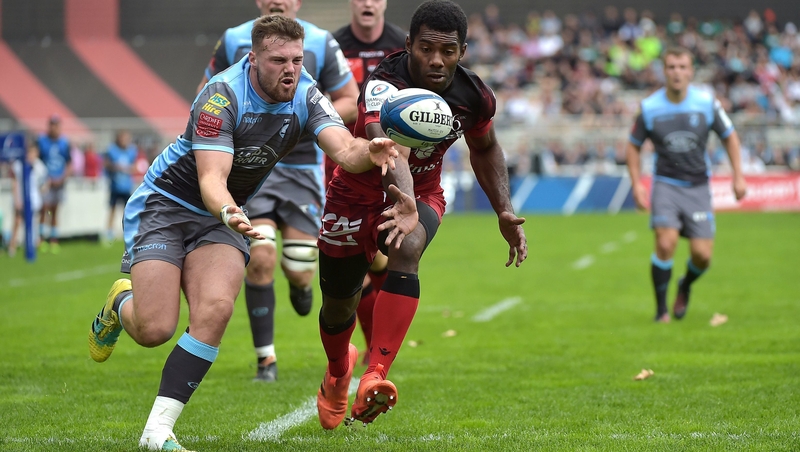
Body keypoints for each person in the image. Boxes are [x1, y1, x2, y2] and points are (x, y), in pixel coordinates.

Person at [87, 15, 406, 451]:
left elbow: (346, 150)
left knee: (216, 309)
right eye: (278, 61)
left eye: (296, 59)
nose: (290, 70)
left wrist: (371, 149)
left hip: (224, 214)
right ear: (253, 59)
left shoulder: (307, 94)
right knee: (154, 329)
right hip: (167, 207)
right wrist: (229, 211)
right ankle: (120, 302)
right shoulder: (220, 97)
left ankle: (156, 432)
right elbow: (211, 180)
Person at [314, 0, 528, 430]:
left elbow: (485, 149)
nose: (436, 60)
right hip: (353, 195)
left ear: (462, 51)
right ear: (408, 44)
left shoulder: (474, 95)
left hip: (424, 194)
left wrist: (504, 210)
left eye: (447, 51)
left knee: (407, 245)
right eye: (426, 48)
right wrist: (402, 197)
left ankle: (375, 376)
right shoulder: (382, 82)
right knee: (339, 305)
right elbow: (383, 143)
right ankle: (339, 370)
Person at [198, 0, 360, 383]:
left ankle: (300, 284)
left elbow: (350, 99)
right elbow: (206, 91)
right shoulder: (234, 39)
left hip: (301, 168)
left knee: (302, 272)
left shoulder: (319, 41)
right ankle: (265, 360)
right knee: (261, 258)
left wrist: (298, 120)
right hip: (251, 167)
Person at [626, 46, 747, 323]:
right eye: (671, 67)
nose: (677, 72)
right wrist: (637, 183)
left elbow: (730, 136)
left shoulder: (707, 103)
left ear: (691, 71)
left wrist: (738, 175)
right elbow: (632, 147)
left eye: (682, 67)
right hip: (666, 184)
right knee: (665, 243)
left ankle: (685, 285)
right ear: (664, 71)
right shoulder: (649, 107)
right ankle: (661, 312)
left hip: (698, 186)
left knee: (702, 256)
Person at [331, 0, 407, 364]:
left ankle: (375, 350)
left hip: (390, 157)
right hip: (341, 159)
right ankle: (369, 347)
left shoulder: (402, 45)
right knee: (354, 261)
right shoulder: (333, 47)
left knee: (380, 257)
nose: (367, 3)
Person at [36, 114, 72, 254]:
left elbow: (69, 163)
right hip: (46, 182)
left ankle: (54, 239)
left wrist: (62, 177)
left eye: (56, 125)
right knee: (44, 209)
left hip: (59, 182)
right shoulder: (42, 141)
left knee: (55, 210)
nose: (54, 128)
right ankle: (41, 238)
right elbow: (37, 162)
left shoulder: (64, 143)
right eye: (52, 125)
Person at [8, 141, 48, 257]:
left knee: (32, 223)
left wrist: (42, 191)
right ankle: (12, 245)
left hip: (34, 200)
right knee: (17, 221)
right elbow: (14, 182)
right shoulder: (19, 164)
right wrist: (16, 199)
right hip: (21, 197)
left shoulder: (39, 166)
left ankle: (32, 244)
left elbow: (45, 182)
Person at [103, 130, 139, 243]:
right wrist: (115, 167)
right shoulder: (112, 150)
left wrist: (128, 168)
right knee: (112, 209)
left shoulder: (132, 151)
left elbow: (135, 167)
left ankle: (129, 232)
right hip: (115, 185)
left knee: (128, 211)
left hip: (126, 186)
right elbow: (106, 164)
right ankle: (109, 233)